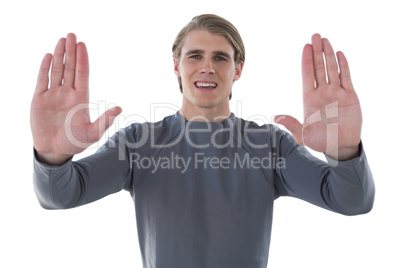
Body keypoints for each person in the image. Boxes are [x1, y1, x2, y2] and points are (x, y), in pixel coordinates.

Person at [31, 14, 375, 268]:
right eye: (195, 56)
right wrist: (51, 156)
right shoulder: (138, 144)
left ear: (237, 69)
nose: (207, 67)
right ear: (177, 66)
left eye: (220, 57)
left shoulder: (269, 146)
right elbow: (61, 195)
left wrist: (344, 150)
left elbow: (352, 201)